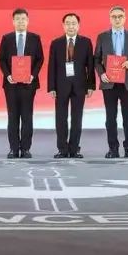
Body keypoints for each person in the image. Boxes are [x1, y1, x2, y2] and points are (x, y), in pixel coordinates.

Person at [93, 5, 128, 159]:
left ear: (125, 18)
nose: (117, 19)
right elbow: (96, 59)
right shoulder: (102, 37)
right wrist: (101, 73)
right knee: (110, 118)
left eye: (120, 16)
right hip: (109, 82)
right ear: (110, 19)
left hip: (127, 82)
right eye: (114, 16)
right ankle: (113, 149)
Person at [0, 8, 45, 159]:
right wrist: (8, 75)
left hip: (28, 84)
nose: (21, 22)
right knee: (12, 116)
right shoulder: (7, 38)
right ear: (13, 21)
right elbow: (0, 58)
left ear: (27, 21)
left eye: (23, 19)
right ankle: (13, 149)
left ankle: (25, 149)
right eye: (17, 19)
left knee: (27, 116)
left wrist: (32, 75)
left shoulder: (35, 38)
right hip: (11, 84)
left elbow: (40, 59)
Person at [47, 13, 94, 158]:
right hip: (61, 86)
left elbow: (90, 65)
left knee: (77, 118)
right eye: (68, 23)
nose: (71, 26)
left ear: (78, 25)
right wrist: (51, 87)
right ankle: (62, 149)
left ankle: (74, 149)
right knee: (61, 118)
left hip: (79, 85)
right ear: (63, 25)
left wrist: (90, 85)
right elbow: (51, 66)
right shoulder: (56, 43)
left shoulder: (86, 42)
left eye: (73, 23)